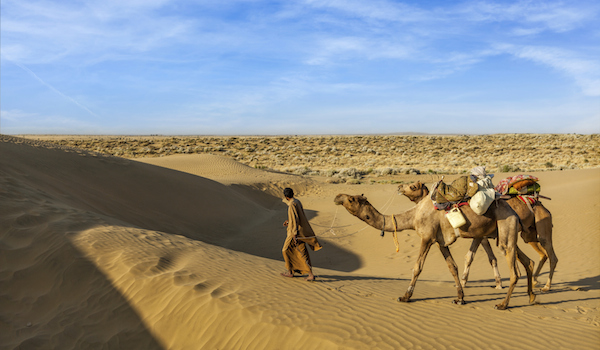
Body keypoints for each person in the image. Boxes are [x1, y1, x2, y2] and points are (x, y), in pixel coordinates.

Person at [280, 187, 322, 281]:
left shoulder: (291, 204)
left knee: (285, 250)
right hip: (300, 231)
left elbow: (295, 219)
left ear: (286, 197)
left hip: (294, 233)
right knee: (302, 251)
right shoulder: (297, 201)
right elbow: (297, 217)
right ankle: (303, 273)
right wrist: (288, 221)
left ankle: (291, 272)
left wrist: (294, 233)